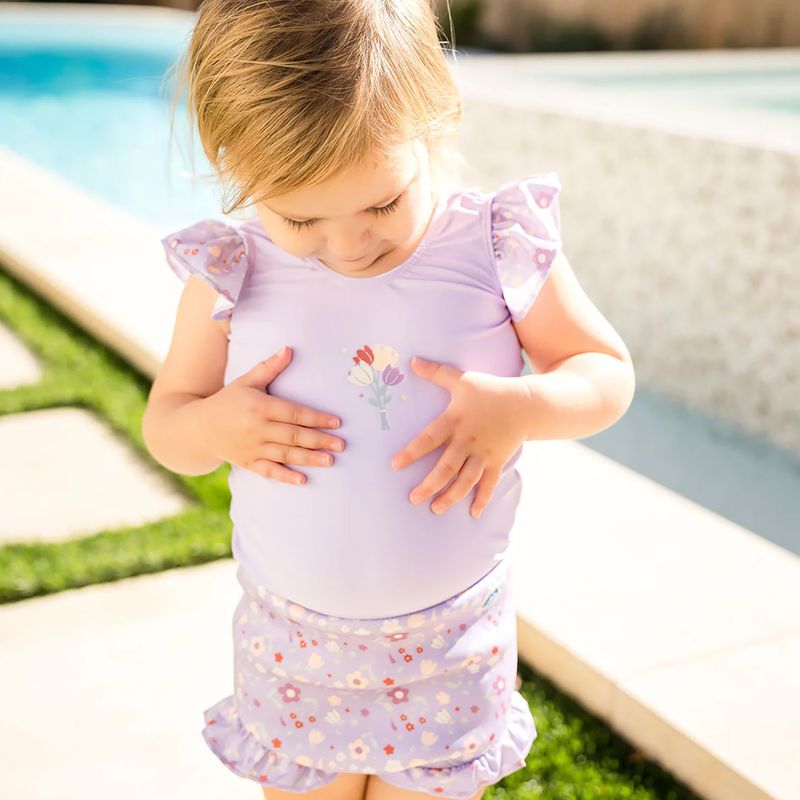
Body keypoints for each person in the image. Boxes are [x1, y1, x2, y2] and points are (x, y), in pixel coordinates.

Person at [142, 1, 636, 798]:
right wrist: (213, 424)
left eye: (382, 204)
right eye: (301, 216)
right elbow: (167, 426)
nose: (349, 244)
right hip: (293, 645)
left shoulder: (494, 244)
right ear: (228, 154)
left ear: (434, 116)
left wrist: (522, 406)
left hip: (447, 644)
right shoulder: (230, 271)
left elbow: (605, 371)